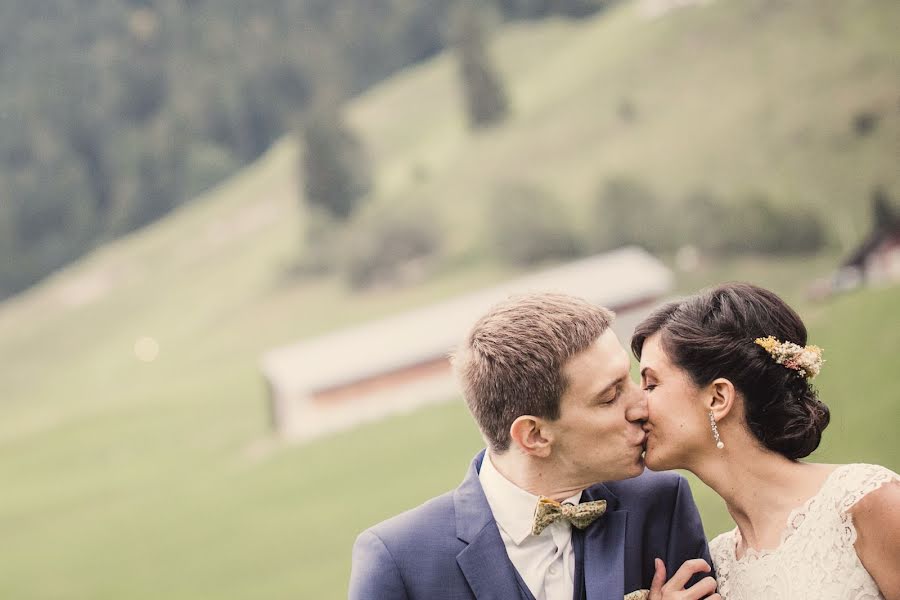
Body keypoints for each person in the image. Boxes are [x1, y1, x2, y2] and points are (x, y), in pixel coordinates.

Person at [350, 293, 720, 600]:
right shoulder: (399, 561)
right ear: (535, 436)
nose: (641, 406)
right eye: (610, 396)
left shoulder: (660, 505)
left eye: (630, 379)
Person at [631, 282, 900, 600]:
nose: (636, 405)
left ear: (718, 398)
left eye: (651, 384)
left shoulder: (863, 502)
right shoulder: (717, 566)